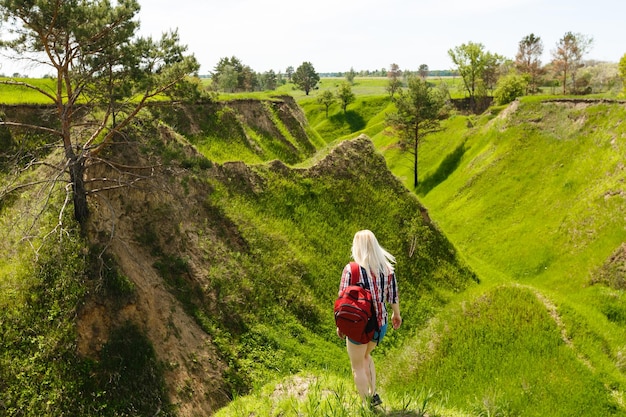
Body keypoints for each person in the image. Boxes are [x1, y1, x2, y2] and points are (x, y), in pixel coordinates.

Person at [336, 229, 402, 408]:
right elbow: (393, 295)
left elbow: (343, 300)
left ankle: (367, 404)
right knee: (366, 356)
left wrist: (341, 326)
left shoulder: (352, 269)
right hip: (380, 325)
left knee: (357, 364)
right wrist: (397, 315)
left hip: (358, 325)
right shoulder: (387, 269)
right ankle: (373, 394)